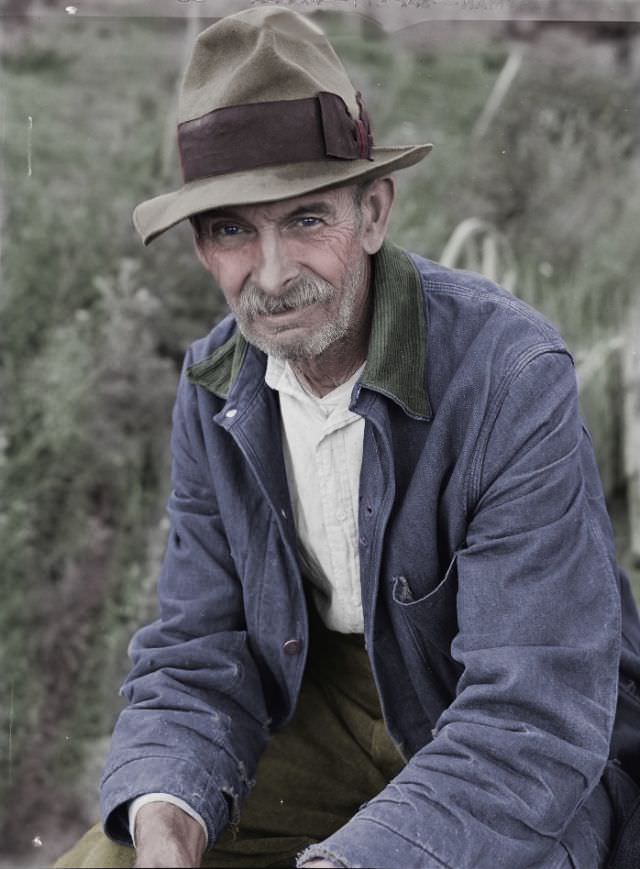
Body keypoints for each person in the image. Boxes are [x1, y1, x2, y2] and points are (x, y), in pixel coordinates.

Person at [55, 6, 640, 869]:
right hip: (318, 712)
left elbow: (533, 714)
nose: (275, 273)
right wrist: (164, 814)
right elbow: (198, 646)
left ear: (373, 213)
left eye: (306, 219)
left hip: (503, 740)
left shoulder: (509, 373)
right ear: (200, 251)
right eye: (233, 230)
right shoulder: (213, 384)